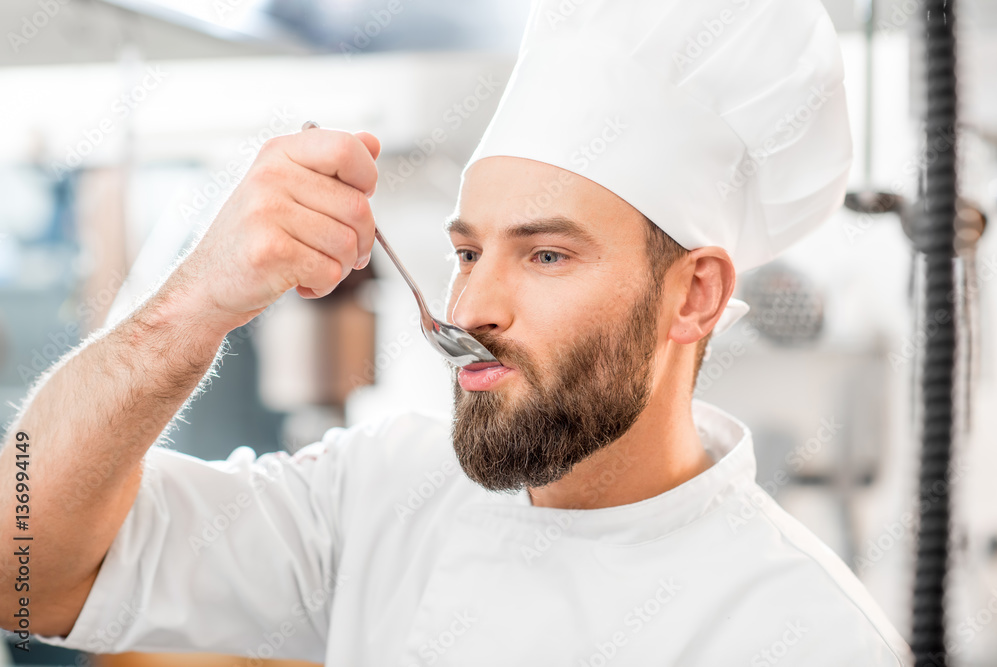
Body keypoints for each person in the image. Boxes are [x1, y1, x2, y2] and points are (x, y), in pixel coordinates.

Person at [1, 0, 912, 664]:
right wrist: (192, 304)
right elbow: (23, 564)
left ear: (694, 296)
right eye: (468, 252)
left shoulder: (807, 630)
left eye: (547, 255)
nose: (471, 305)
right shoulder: (379, 496)